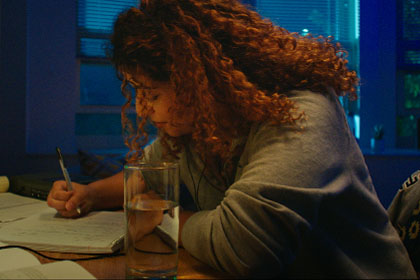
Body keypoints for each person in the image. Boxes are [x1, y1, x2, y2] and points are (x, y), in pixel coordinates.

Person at [47, 0, 416, 278]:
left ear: (199, 82)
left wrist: (165, 217)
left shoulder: (301, 114)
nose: (142, 109)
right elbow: (147, 172)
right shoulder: (198, 125)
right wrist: (90, 193)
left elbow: (242, 246)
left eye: (152, 93)